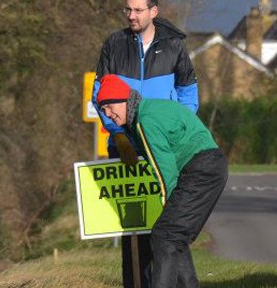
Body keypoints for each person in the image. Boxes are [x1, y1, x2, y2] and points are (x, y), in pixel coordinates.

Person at [91, 0, 199, 287]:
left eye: (138, 10)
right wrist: (118, 133)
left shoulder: (174, 46)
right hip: (125, 147)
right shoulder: (114, 44)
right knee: (133, 230)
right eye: (128, 9)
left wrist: (177, 134)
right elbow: (99, 96)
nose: (132, 16)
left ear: (154, 11)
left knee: (169, 221)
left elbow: (188, 95)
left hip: (164, 146)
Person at [96, 74, 226, 288]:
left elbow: (163, 167)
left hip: (200, 169)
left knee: (164, 237)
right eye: (103, 111)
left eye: (110, 107)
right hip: (209, 166)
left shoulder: (145, 121)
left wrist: (168, 201)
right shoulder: (152, 109)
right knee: (174, 237)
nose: (108, 115)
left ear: (124, 99)